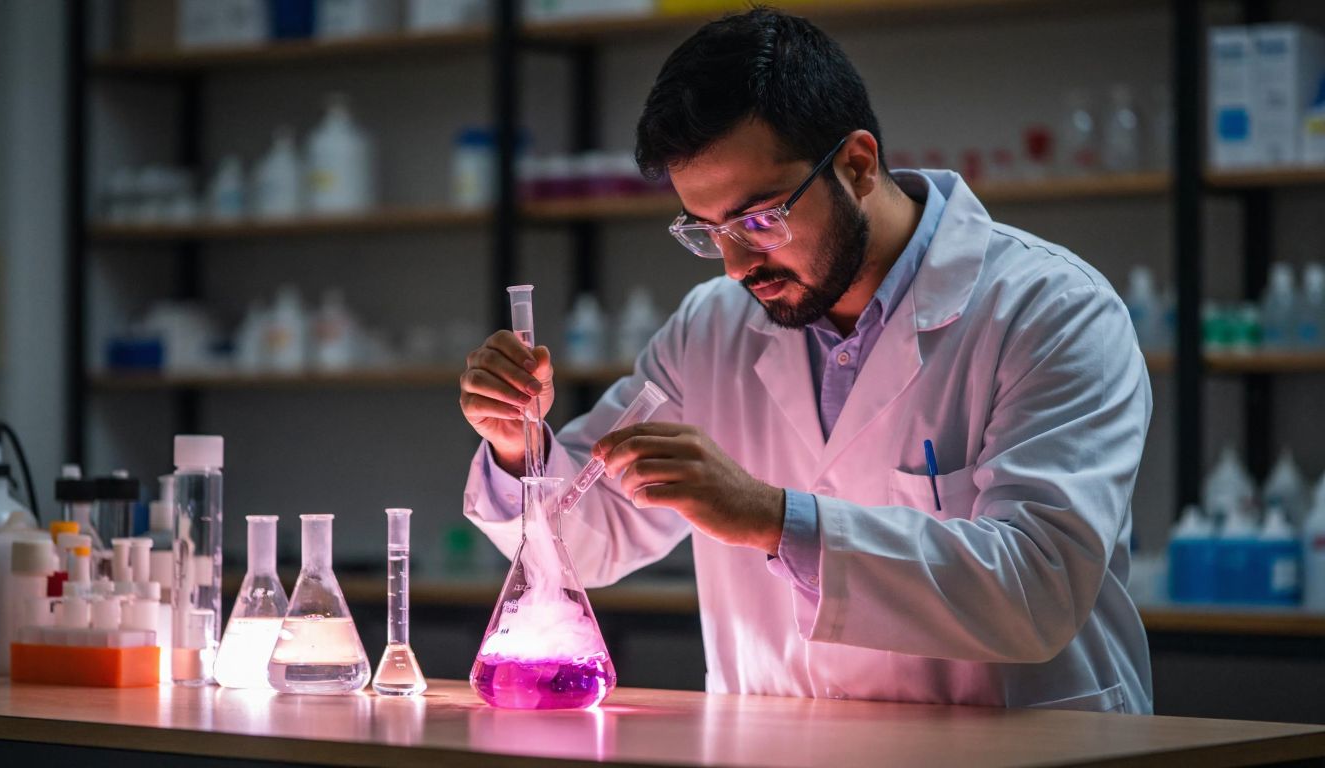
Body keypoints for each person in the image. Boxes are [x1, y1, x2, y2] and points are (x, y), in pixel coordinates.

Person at [458, 7, 1152, 714]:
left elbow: (1037, 591)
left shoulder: (1054, 312)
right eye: (706, 231)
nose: (734, 266)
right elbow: (586, 538)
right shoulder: (710, 329)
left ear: (856, 164)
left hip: (1013, 749)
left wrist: (772, 518)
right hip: (778, 742)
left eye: (759, 220)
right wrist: (519, 448)